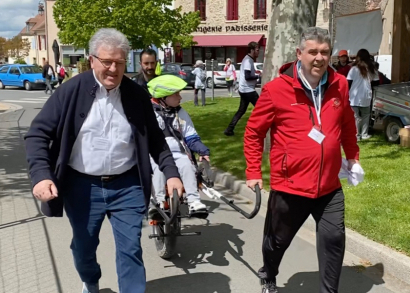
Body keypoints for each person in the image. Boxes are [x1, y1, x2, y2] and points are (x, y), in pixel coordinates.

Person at [24, 28, 183, 293]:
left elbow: (155, 139)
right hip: (81, 186)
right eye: (106, 61)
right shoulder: (71, 91)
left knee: (131, 248)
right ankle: (90, 281)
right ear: (92, 60)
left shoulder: (136, 94)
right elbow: (37, 134)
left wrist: (172, 173)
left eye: (119, 62)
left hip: (127, 184)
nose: (112, 69)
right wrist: (41, 175)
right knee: (84, 247)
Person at [244, 27, 360, 293]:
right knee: (276, 241)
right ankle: (269, 273)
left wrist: (352, 157)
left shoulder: (339, 84)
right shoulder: (276, 90)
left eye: (325, 52)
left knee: (333, 239)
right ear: (299, 53)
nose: (319, 58)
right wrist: (253, 170)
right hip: (290, 186)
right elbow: (254, 132)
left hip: (329, 186)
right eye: (313, 52)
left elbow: (347, 123)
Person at [147, 74, 209, 217]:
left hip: (178, 153)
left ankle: (194, 201)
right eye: (176, 94)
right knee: (157, 169)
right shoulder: (148, 112)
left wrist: (202, 151)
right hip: (156, 154)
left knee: (187, 165)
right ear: (163, 96)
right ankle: (159, 202)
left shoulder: (180, 112)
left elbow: (191, 136)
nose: (180, 97)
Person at [224, 41, 260, 136]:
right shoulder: (248, 60)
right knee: (261, 109)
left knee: (241, 111)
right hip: (248, 91)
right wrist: (258, 76)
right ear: (252, 50)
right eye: (257, 50)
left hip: (244, 90)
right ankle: (256, 130)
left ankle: (229, 129)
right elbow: (248, 77)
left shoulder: (248, 60)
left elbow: (247, 75)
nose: (258, 52)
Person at [347, 48, 380, 141]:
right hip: (366, 95)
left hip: (354, 97)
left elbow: (348, 82)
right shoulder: (372, 69)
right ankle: (364, 134)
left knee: (356, 117)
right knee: (366, 115)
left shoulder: (353, 69)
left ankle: (356, 135)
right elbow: (376, 83)